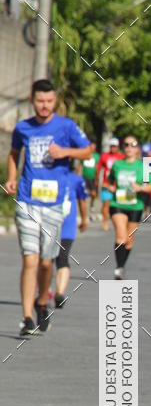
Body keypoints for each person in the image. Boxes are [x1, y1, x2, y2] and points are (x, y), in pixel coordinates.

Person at [5, 78, 92, 336]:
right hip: (28, 202)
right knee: (29, 260)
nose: (44, 106)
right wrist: (11, 177)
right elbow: (13, 154)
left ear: (55, 101)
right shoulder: (23, 128)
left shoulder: (66, 126)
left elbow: (88, 151)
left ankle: (42, 302)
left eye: (49, 101)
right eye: (40, 101)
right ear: (32, 100)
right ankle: (27, 318)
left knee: (46, 263)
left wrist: (65, 152)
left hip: (54, 205)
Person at [105, 136, 151, 279]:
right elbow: (109, 182)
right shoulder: (117, 165)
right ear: (123, 147)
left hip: (135, 205)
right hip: (118, 204)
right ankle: (119, 268)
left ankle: (121, 265)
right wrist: (110, 188)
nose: (129, 147)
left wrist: (140, 188)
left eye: (133, 145)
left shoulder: (142, 166)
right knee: (121, 237)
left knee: (128, 242)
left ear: (137, 149)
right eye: (126, 144)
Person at [54, 161, 88, 308]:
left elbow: (82, 200)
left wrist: (84, 219)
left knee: (62, 258)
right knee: (49, 260)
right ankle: (47, 291)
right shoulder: (51, 177)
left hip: (67, 226)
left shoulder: (77, 179)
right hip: (50, 224)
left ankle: (60, 293)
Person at [95, 137, 123, 232]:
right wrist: (96, 180)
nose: (113, 148)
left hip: (118, 185)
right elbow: (98, 168)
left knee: (118, 205)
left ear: (118, 147)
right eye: (111, 146)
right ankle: (105, 222)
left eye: (115, 146)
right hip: (106, 184)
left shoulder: (121, 157)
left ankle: (119, 223)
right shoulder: (104, 156)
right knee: (106, 204)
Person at [81, 141, 99, 213]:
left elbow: (98, 168)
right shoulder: (84, 155)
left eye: (94, 147)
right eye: (91, 147)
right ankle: (83, 207)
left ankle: (92, 204)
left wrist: (97, 179)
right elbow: (80, 166)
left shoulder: (96, 156)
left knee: (93, 193)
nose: (92, 149)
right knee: (83, 193)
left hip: (92, 177)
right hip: (84, 177)